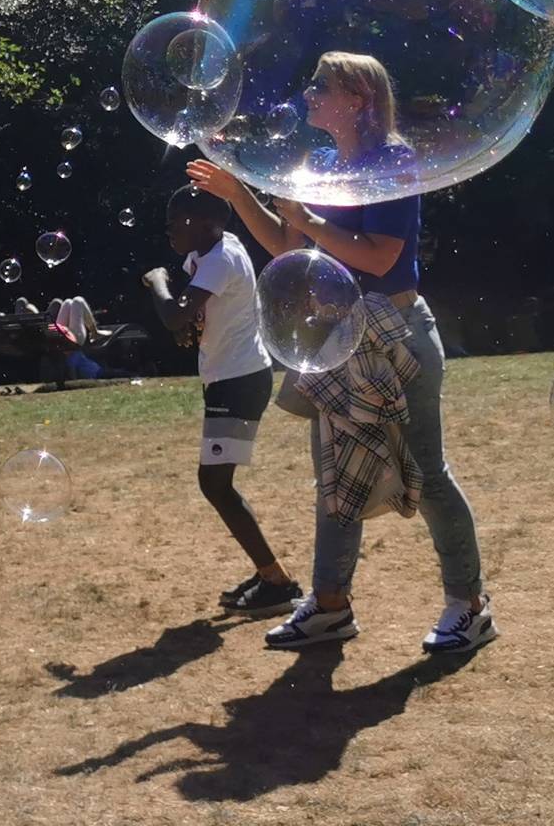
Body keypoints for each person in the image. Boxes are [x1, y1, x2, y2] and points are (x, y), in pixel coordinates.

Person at [186, 52, 495, 655]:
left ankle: (469, 604)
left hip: (395, 333)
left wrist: (312, 220)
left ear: (356, 98)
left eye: (318, 85)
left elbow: (380, 257)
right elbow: (284, 243)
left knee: (428, 474)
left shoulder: (393, 162)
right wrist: (238, 192)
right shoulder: (323, 163)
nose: (306, 94)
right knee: (334, 478)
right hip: (339, 342)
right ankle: (330, 605)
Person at [139, 185, 301, 616]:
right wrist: (189, 324)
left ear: (204, 224)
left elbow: (175, 314)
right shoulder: (213, 249)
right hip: (232, 377)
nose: (169, 229)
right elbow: (190, 318)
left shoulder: (220, 258)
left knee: (215, 483)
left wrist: (158, 282)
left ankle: (277, 581)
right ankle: (269, 574)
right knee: (217, 483)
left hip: (239, 381)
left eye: (176, 222)